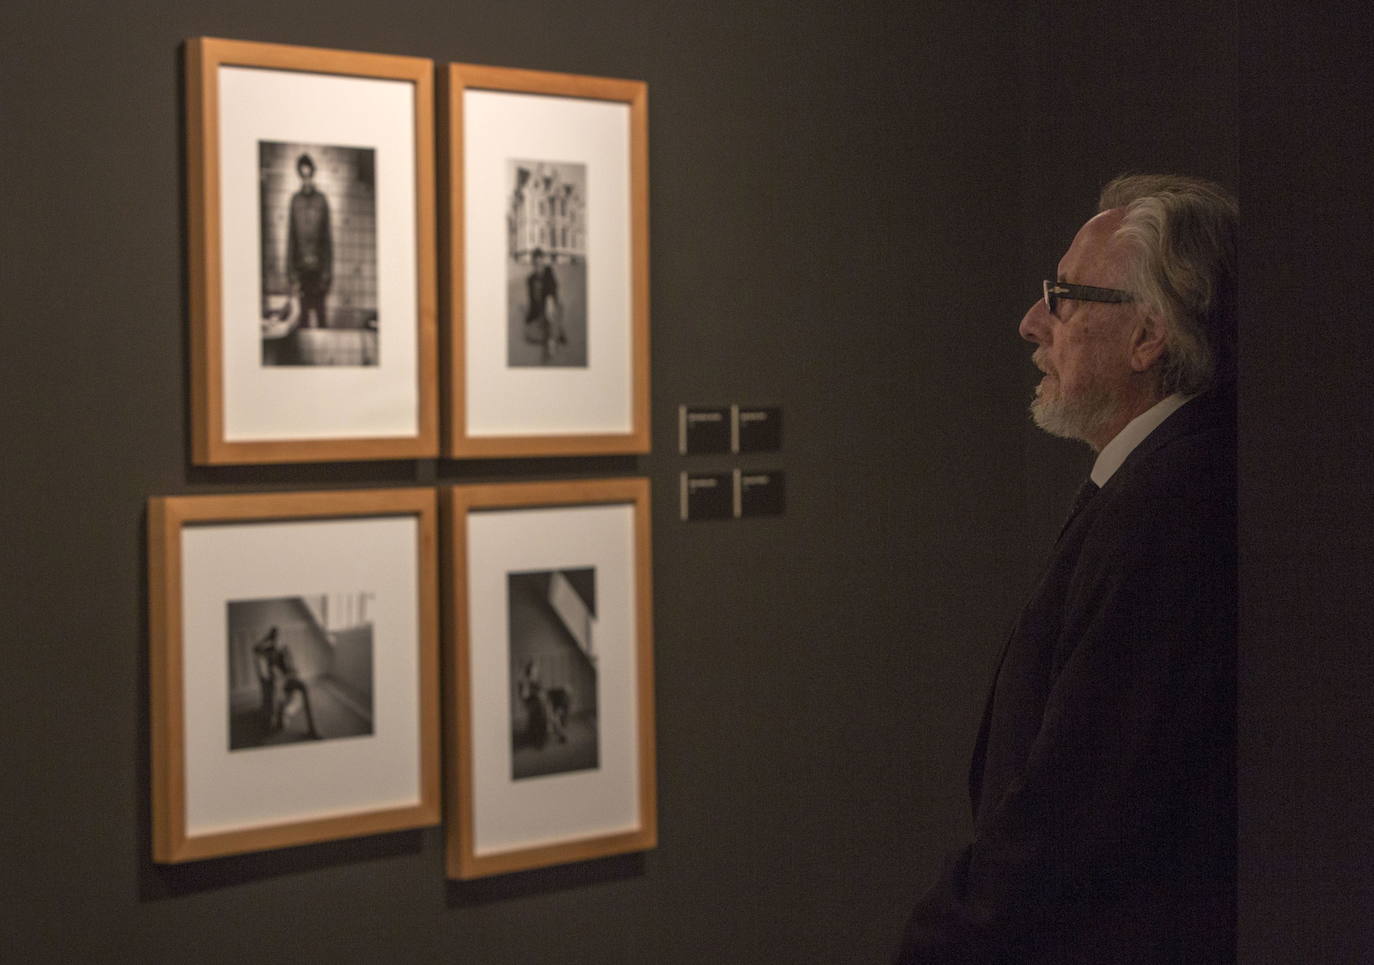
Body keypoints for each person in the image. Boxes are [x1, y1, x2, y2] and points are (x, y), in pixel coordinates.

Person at [896, 175, 1238, 963]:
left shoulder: (1168, 505)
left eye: (1063, 297)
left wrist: (937, 938)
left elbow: (1076, 809)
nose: (1031, 323)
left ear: (1149, 335)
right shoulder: (1158, 479)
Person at [286, 152, 332, 330]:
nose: (306, 180)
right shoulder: (295, 201)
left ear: (313, 174)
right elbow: (291, 239)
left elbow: (327, 240)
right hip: (301, 270)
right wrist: (290, 273)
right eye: (303, 175)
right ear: (300, 175)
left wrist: (327, 272)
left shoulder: (321, 201)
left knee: (321, 316)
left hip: (319, 270)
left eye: (309, 175)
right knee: (302, 320)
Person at [524, 247, 564, 363]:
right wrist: (529, 320)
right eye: (536, 263)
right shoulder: (530, 280)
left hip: (551, 307)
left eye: (540, 262)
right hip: (540, 313)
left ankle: (551, 342)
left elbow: (553, 288)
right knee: (530, 334)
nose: (538, 266)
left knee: (551, 307)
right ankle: (553, 334)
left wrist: (549, 301)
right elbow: (531, 302)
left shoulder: (549, 272)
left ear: (543, 262)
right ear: (533, 263)